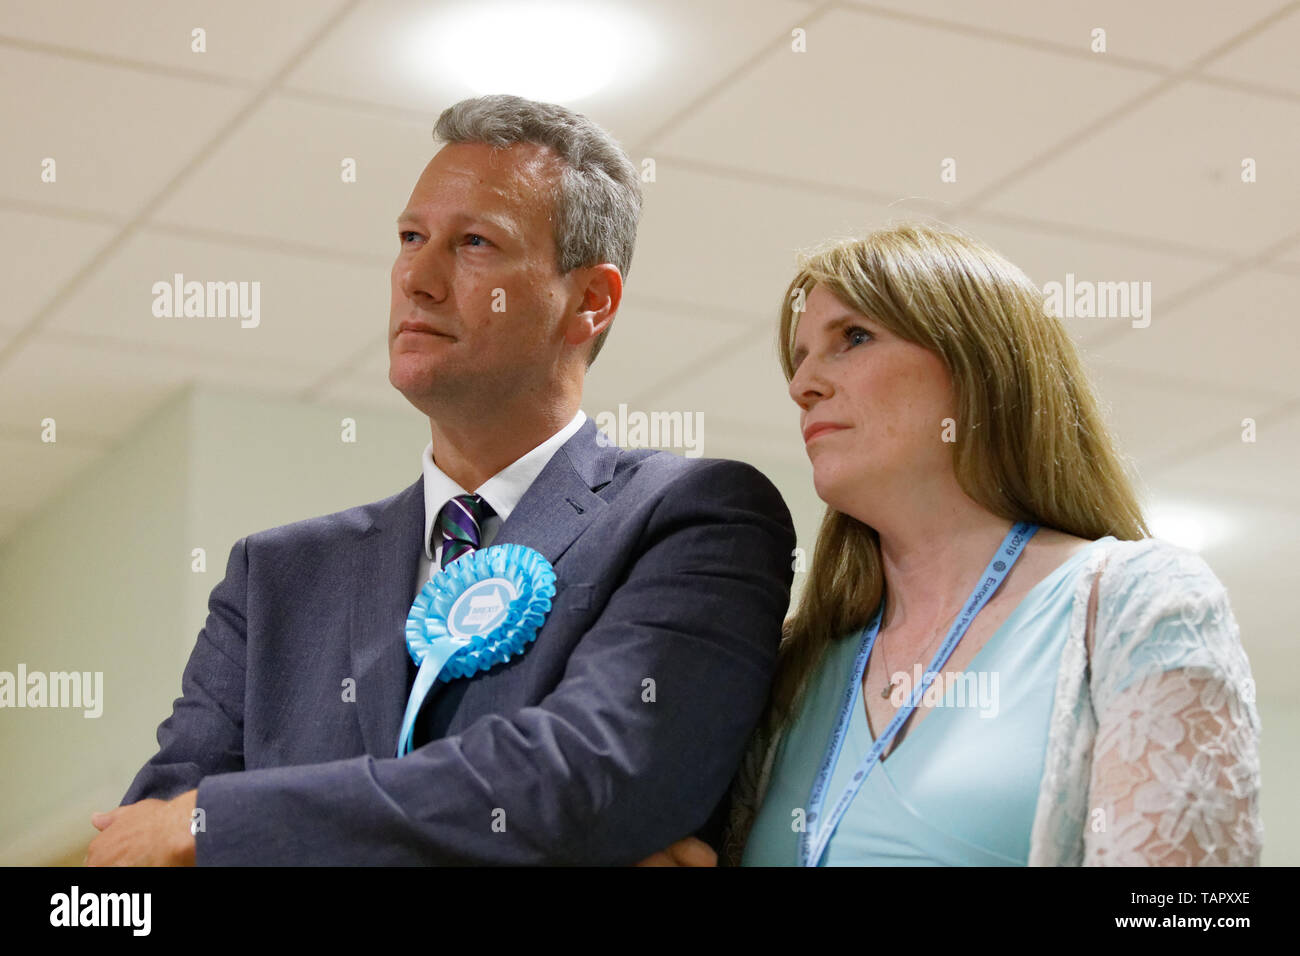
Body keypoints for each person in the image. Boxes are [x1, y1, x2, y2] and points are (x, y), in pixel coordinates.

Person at [86, 94, 795, 866]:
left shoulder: (692, 517)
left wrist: (217, 826)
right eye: (411, 237)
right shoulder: (273, 579)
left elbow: (585, 782)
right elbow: (124, 878)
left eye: (476, 243)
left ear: (590, 300)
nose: (417, 278)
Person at [658, 221, 1262, 866]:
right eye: (799, 357)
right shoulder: (796, 665)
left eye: (853, 338)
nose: (801, 384)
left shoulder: (1138, 604)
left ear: (980, 367)